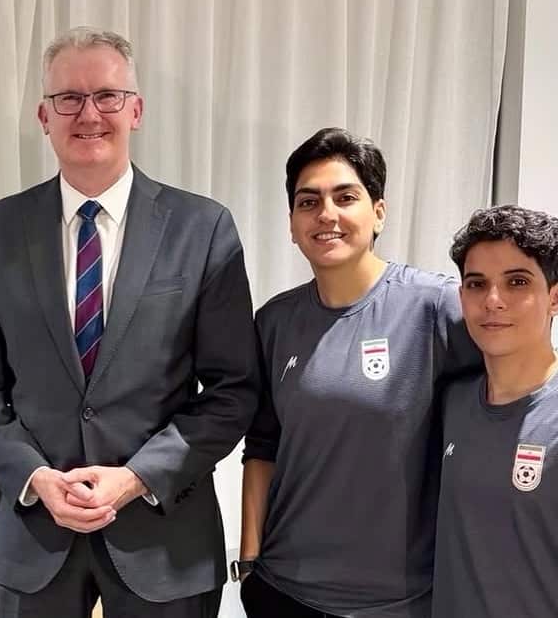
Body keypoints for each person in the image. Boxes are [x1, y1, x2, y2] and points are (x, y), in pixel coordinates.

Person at [0, 26, 259, 617]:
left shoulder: (203, 229)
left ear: (136, 110)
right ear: (44, 116)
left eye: (107, 96)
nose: (88, 113)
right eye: (68, 98)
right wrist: (35, 476)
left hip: (163, 538)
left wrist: (138, 476)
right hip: (34, 536)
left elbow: (232, 390)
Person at [239, 128, 479, 618]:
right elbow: (262, 445)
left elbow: (514, 393)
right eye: (308, 202)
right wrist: (249, 560)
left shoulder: (436, 308)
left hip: (397, 602)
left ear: (378, 212)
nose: (326, 214)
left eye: (345, 197)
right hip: (283, 590)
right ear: (291, 223)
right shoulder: (274, 322)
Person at [433, 205, 558, 618]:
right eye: (476, 284)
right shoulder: (451, 403)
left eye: (517, 282)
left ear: (554, 297)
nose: (493, 301)